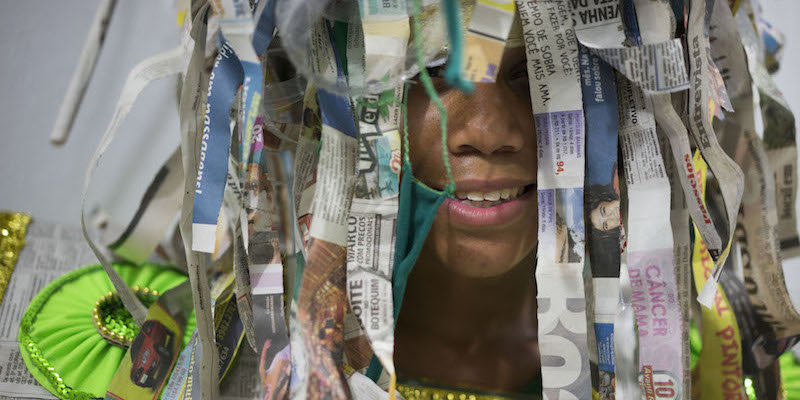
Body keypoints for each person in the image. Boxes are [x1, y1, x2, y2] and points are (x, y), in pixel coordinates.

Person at [394, 42, 543, 396]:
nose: (488, 133)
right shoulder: (262, 352)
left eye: (535, 70)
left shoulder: (681, 353)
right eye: (431, 70)